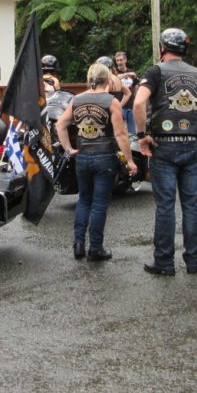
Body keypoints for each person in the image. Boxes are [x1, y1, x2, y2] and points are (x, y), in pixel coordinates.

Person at [134, 28, 197, 276]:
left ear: (162, 48)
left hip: (164, 144)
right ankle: (194, 261)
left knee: (165, 205)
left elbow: (138, 102)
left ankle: (165, 262)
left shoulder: (156, 71)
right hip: (191, 143)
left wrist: (141, 135)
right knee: (191, 203)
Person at [55, 62, 138, 262]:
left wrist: (68, 149)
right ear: (108, 79)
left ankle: (78, 244)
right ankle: (96, 248)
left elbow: (60, 125)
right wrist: (129, 160)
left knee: (84, 200)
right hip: (104, 157)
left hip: (82, 156)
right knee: (99, 204)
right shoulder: (111, 102)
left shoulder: (77, 100)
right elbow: (120, 133)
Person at [114, 51, 138, 135]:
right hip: (119, 105)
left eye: (121, 60)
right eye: (117, 60)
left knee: (133, 132)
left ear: (125, 60)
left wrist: (136, 101)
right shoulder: (114, 72)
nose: (119, 62)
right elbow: (115, 78)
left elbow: (136, 86)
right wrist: (127, 74)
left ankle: (133, 148)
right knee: (121, 132)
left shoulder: (132, 71)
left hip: (131, 106)